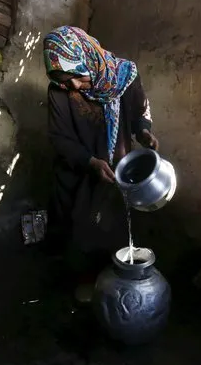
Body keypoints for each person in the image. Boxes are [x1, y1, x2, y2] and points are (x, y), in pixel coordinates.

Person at [42, 26, 159, 301]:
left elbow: (140, 108)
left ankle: (114, 284)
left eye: (75, 76)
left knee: (113, 224)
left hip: (116, 169)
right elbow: (59, 136)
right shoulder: (58, 91)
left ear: (89, 59)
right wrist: (90, 162)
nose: (71, 85)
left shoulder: (124, 76)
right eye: (62, 79)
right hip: (78, 170)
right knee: (77, 225)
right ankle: (82, 283)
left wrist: (143, 131)